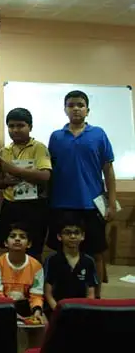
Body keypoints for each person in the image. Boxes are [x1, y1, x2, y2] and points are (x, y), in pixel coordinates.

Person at [47, 90, 116, 297]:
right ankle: (61, 296)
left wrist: (111, 203)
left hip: (91, 204)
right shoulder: (56, 137)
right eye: (71, 105)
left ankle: (97, 299)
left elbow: (108, 170)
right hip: (61, 204)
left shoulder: (98, 134)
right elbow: (50, 170)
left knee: (96, 253)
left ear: (87, 109)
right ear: (65, 109)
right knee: (60, 253)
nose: (75, 108)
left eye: (80, 105)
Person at [0, 108, 52, 261]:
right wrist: (5, 181)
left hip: (34, 205)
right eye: (11, 126)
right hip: (10, 205)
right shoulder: (5, 150)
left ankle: (33, 283)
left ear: (30, 127)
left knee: (33, 249)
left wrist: (14, 170)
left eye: (20, 125)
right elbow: (0, 182)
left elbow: (45, 175)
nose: (15, 130)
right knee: (9, 247)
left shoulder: (38, 147)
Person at [0, 223, 44, 322]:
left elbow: (36, 295)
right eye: (13, 236)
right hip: (3, 309)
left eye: (22, 237)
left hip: (27, 311)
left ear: (29, 244)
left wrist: (36, 312)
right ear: (6, 243)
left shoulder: (37, 266)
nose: (17, 239)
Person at [44, 215, 98, 311]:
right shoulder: (52, 260)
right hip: (57, 308)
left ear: (83, 236)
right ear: (59, 236)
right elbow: (48, 293)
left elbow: (91, 293)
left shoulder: (89, 261)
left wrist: (85, 310)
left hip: (81, 309)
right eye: (68, 233)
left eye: (76, 233)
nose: (72, 236)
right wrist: (58, 311)